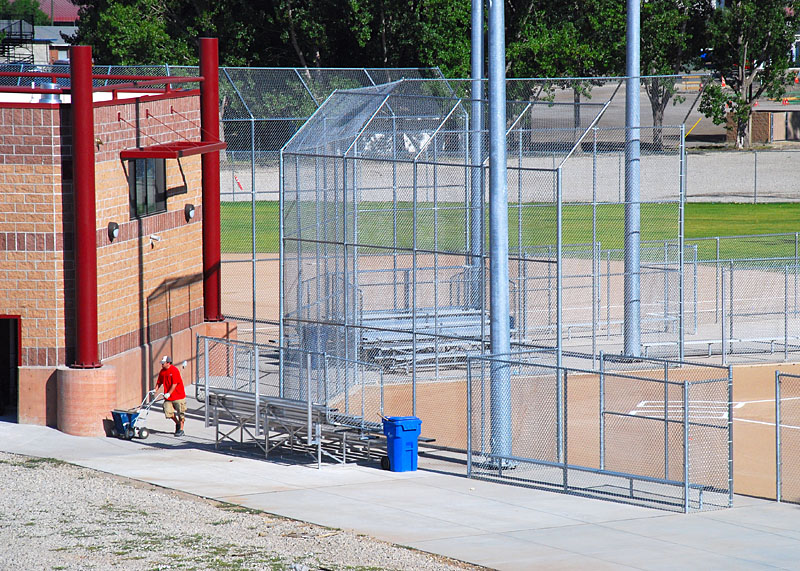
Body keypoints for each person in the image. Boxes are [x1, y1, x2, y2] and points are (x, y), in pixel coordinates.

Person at [156, 355, 186, 436]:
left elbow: (174, 384)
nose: (162, 364)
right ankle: (177, 423)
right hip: (168, 397)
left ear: (168, 363)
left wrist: (169, 393)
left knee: (181, 412)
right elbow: (159, 382)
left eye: (163, 363)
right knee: (168, 411)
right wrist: (155, 390)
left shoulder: (174, 370)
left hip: (178, 396)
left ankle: (181, 429)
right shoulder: (162, 371)